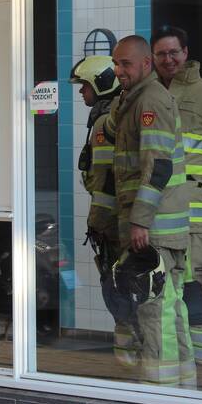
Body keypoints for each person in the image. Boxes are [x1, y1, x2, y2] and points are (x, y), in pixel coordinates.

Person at [109, 35, 196, 388]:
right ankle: (183, 387)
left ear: (146, 63)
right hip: (157, 228)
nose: (118, 70)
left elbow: (157, 167)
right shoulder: (136, 99)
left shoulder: (150, 101)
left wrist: (140, 221)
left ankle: (161, 391)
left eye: (125, 64)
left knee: (154, 313)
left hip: (154, 229)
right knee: (170, 310)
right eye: (115, 63)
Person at [151, 25, 202, 367]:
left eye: (174, 52)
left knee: (197, 283)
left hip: (193, 213)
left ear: (186, 53)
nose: (168, 60)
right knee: (164, 288)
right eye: (161, 54)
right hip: (153, 213)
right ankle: (181, 359)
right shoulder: (146, 95)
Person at [68, 55, 139, 368]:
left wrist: (97, 224)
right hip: (123, 222)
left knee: (118, 291)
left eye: (85, 86)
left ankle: (128, 361)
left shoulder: (103, 123)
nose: (81, 93)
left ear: (100, 84)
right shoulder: (110, 116)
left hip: (113, 227)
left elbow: (105, 181)